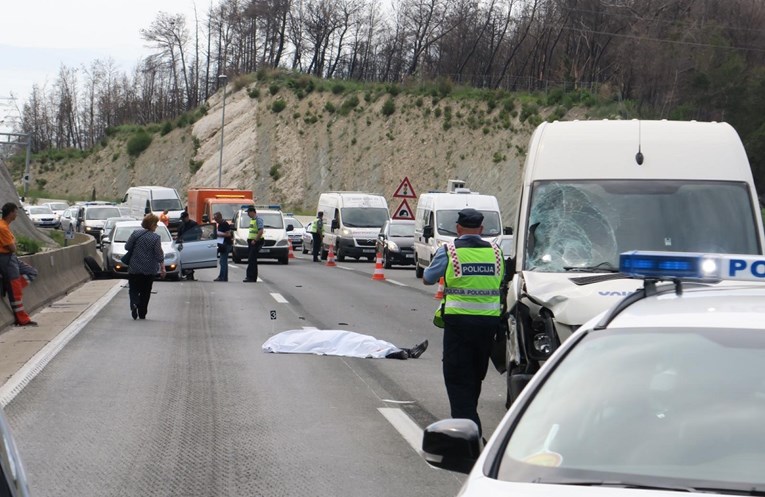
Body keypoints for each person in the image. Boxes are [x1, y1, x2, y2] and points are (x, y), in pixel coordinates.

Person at [423, 208, 504, 436]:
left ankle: (469, 436)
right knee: (475, 377)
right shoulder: (496, 252)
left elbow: (428, 278)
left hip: (459, 325)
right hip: (488, 325)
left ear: (458, 229)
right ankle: (470, 426)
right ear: (482, 229)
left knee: (458, 379)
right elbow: (501, 280)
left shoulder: (450, 251)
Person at [0, 203, 38, 326]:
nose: (16, 214)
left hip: (11, 258)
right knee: (15, 290)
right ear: (10, 213)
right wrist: (13, 247)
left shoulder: (5, 226)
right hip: (6, 259)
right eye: (15, 212)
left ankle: (9, 287)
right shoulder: (2, 228)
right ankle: (22, 319)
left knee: (32, 272)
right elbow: (12, 247)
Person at [125, 213, 166, 320]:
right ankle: (142, 312)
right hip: (149, 269)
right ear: (152, 224)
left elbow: (127, 246)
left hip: (134, 267)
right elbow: (159, 254)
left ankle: (134, 303)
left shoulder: (135, 234)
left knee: (133, 288)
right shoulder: (156, 238)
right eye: (156, 224)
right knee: (145, 291)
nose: (157, 226)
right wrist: (162, 268)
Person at [243, 206, 264, 282]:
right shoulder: (253, 220)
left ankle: (251, 277)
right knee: (251, 259)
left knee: (252, 259)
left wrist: (255, 240)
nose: (248, 214)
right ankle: (251, 277)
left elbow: (260, 231)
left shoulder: (258, 220)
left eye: (248, 212)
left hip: (255, 242)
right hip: (251, 241)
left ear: (252, 212)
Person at [177, 211, 199, 281]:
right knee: (185, 260)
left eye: (184, 218)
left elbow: (199, 233)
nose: (183, 220)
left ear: (187, 217)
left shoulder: (193, 224)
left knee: (191, 260)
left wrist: (196, 242)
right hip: (184, 245)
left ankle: (190, 275)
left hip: (192, 245)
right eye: (182, 219)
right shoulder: (181, 225)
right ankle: (187, 274)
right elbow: (179, 236)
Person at [213, 211, 232, 281]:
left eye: (216, 219)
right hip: (222, 244)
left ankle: (222, 277)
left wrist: (219, 234)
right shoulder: (220, 224)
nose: (215, 221)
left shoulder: (225, 224)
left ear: (219, 218)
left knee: (223, 261)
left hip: (226, 244)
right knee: (222, 261)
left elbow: (228, 234)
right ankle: (223, 276)